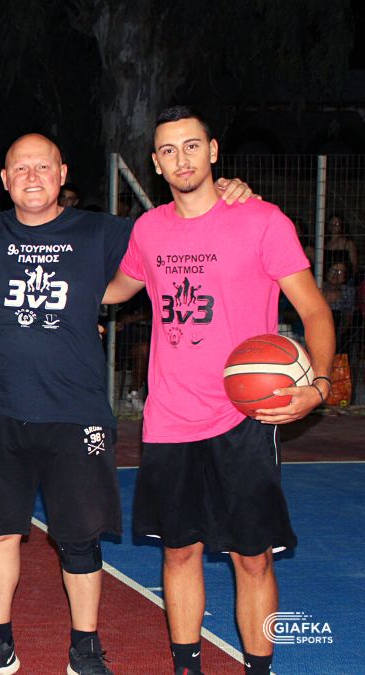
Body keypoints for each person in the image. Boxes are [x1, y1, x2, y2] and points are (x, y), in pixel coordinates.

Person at [0, 132, 254, 675]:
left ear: (62, 173)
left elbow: (177, 227)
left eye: (43, 167)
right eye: (20, 168)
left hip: (78, 411)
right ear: (4, 180)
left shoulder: (101, 231)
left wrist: (226, 191)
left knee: (81, 539)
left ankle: (85, 649)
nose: (32, 177)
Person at [104, 105, 335, 675]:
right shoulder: (148, 230)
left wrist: (321, 384)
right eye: (168, 150)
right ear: (155, 163)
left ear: (211, 151)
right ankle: (187, 668)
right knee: (179, 551)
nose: (180, 159)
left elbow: (314, 310)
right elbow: (115, 289)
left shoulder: (262, 221)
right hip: (170, 417)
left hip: (244, 417)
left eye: (191, 146)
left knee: (251, 559)